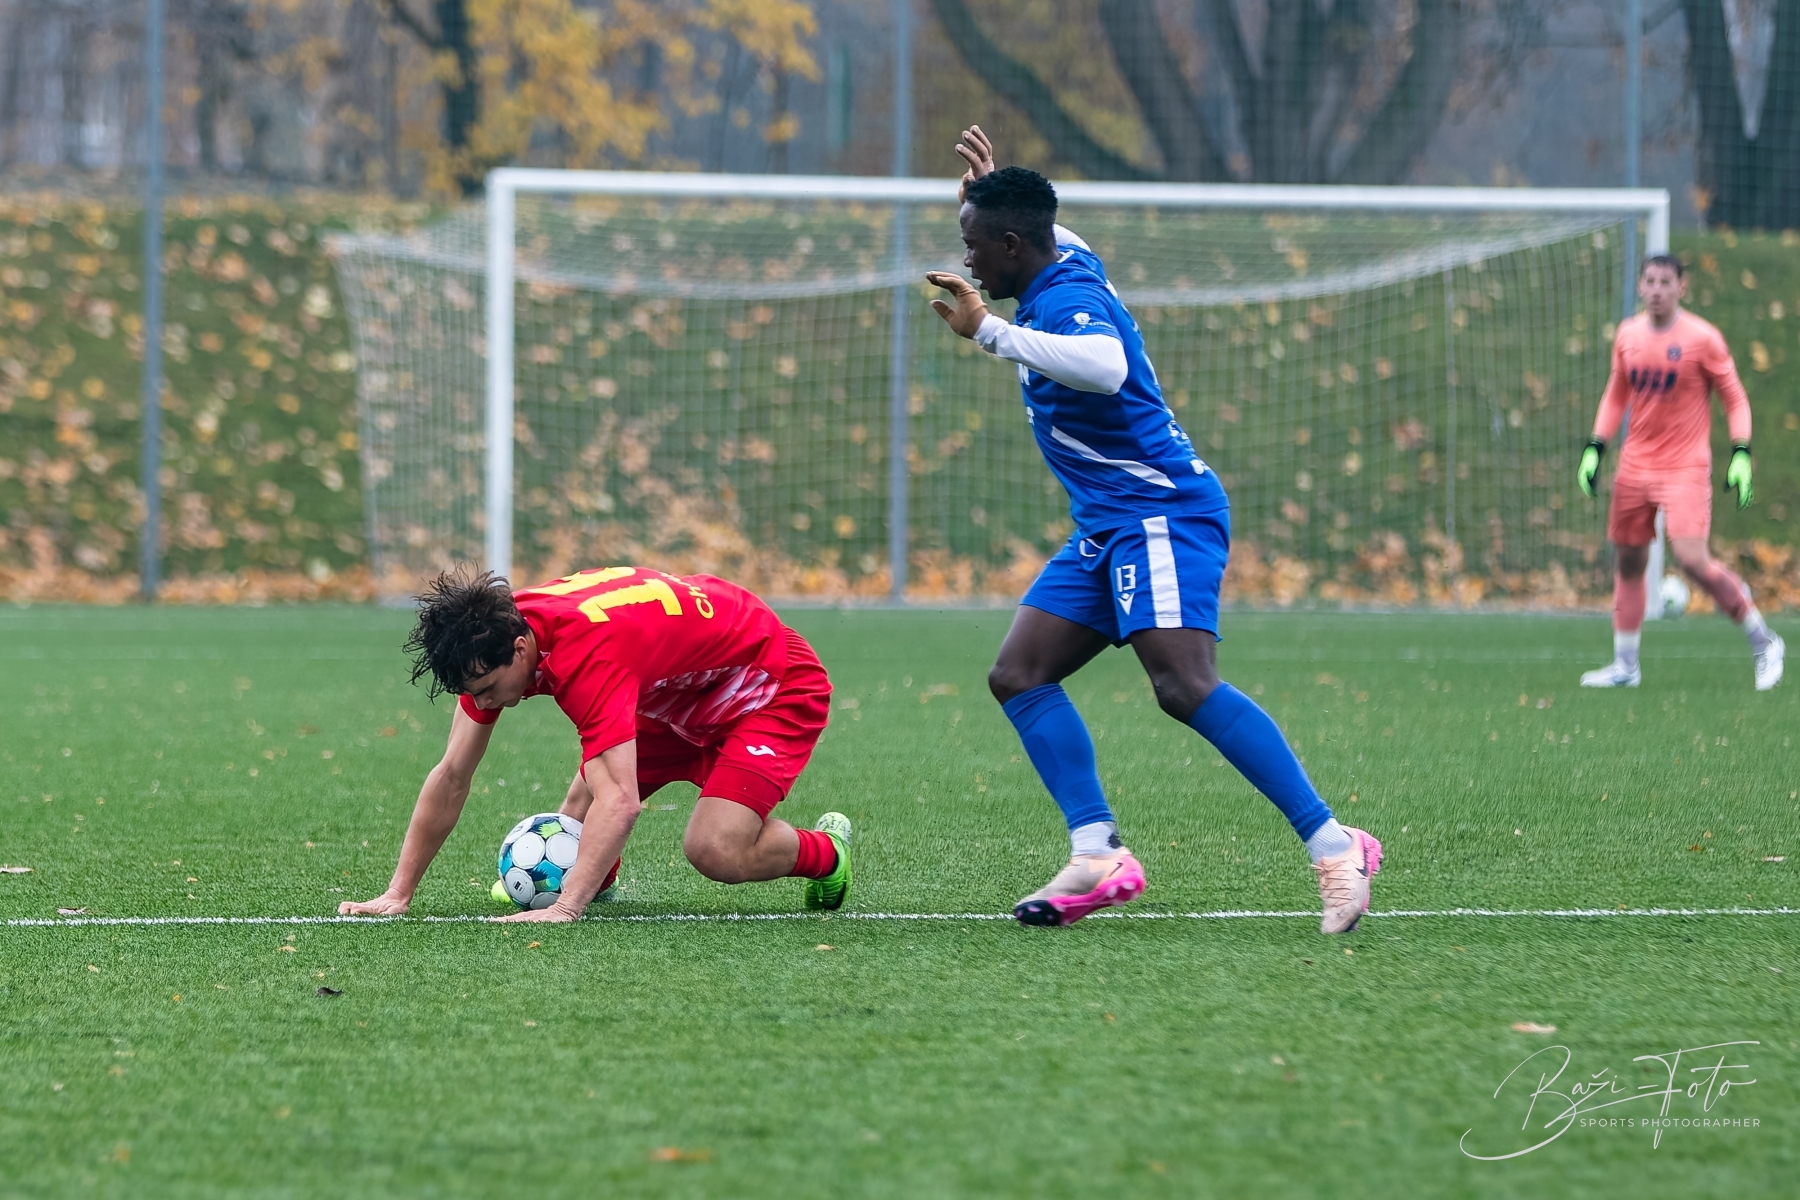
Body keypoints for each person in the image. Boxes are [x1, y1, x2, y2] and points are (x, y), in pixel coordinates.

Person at [924, 126, 1380, 934]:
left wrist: (988, 332)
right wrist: (988, 195)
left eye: (975, 244)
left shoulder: (1068, 302)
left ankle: (1334, 844)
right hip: (1110, 525)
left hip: (1162, 515)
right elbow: (1052, 230)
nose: (967, 262)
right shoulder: (1063, 261)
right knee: (1020, 674)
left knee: (1184, 684)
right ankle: (1097, 853)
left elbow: (1105, 367)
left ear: (1013, 246)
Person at [338, 566, 851, 922]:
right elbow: (452, 775)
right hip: (676, 689)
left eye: (488, 689)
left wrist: (565, 908)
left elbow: (622, 802)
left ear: (521, 649)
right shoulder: (493, 636)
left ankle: (828, 853)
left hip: (766, 685)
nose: (484, 702)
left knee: (715, 849)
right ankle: (594, 877)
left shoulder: (586, 656)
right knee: (577, 811)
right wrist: (398, 892)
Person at [1578, 255, 1784, 691]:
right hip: (1635, 465)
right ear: (1640, 286)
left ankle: (1765, 642)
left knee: (1692, 559)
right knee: (1629, 562)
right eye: (1650, 281)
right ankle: (1625, 666)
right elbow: (1616, 394)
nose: (1657, 290)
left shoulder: (1702, 339)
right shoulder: (1628, 335)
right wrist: (1595, 447)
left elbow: (1735, 397)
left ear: (1681, 288)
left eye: (1665, 282)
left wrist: (1741, 452)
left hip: (1684, 467)